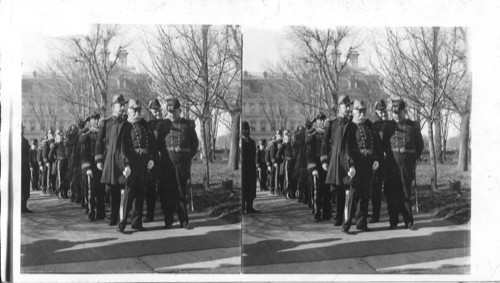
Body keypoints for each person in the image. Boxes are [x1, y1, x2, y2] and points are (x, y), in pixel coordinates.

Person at [117, 99, 156, 233]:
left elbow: (149, 145)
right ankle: (122, 222)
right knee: (128, 194)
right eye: (134, 110)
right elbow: (121, 148)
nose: (137, 113)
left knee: (140, 194)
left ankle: (136, 222)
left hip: (143, 163)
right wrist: (125, 164)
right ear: (129, 111)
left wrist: (150, 158)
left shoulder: (144, 126)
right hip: (131, 162)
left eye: (139, 110)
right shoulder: (125, 126)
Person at [342, 100, 382, 233]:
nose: (362, 114)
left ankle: (361, 223)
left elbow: (374, 145)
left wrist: (375, 159)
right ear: (353, 112)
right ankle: (347, 223)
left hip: (367, 164)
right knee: (353, 195)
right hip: (356, 163)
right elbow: (346, 148)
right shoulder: (350, 127)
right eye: (359, 111)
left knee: (365, 195)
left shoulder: (368, 126)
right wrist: (350, 165)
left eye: (364, 111)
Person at [385, 99, 423, 230]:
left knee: (406, 192)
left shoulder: (413, 126)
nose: (396, 116)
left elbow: (420, 145)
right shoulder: (388, 126)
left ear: (405, 111)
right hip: (391, 163)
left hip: (407, 164)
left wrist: (412, 160)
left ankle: (409, 221)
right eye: (394, 113)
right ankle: (393, 221)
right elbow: (384, 144)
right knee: (392, 192)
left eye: (399, 113)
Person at [164, 97, 199, 229]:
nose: (172, 115)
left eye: (174, 112)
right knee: (168, 191)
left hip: (182, 163)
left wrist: (188, 156)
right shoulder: (164, 125)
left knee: (181, 191)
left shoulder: (187, 125)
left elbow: (195, 143)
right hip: (168, 162)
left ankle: (184, 220)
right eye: (169, 112)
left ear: (180, 110)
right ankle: (168, 220)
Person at [96, 94, 128, 227]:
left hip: (121, 157)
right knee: (112, 189)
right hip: (109, 158)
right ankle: (113, 217)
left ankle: (121, 217)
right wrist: (99, 160)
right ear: (113, 106)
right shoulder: (106, 122)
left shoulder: (125, 123)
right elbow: (99, 142)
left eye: (123, 105)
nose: (122, 107)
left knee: (122, 188)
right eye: (120, 105)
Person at [321, 95, 353, 227]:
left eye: (349, 106)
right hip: (335, 159)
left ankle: (347, 217)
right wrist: (324, 160)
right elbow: (324, 143)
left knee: (348, 189)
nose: (348, 108)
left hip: (347, 159)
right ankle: (339, 217)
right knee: (338, 190)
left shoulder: (350, 124)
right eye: (346, 106)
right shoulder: (331, 123)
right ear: (339, 107)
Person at [145, 98, 175, 228]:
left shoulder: (166, 123)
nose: (156, 112)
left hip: (164, 159)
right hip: (151, 159)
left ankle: (166, 213)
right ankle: (150, 214)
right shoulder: (147, 125)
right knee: (150, 188)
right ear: (150, 111)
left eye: (158, 110)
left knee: (164, 187)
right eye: (154, 110)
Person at [81, 112, 106, 221]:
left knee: (101, 188)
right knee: (91, 189)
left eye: (97, 118)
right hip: (91, 163)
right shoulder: (85, 135)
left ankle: (101, 213)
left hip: (100, 164)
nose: (96, 121)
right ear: (89, 121)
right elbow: (83, 153)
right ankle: (91, 212)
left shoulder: (102, 133)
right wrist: (87, 168)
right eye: (93, 119)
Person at [306, 112, 331, 222]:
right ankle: (317, 212)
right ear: (315, 122)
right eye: (319, 120)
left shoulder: (327, 134)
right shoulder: (312, 136)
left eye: (323, 119)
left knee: (327, 189)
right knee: (317, 190)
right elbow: (309, 154)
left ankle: (327, 213)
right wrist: (313, 168)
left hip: (326, 165)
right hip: (316, 165)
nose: (321, 121)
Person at [369, 99, 391, 223]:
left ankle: (392, 212)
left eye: (384, 111)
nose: (383, 113)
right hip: (378, 160)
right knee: (376, 190)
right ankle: (375, 215)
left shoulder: (390, 124)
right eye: (380, 111)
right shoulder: (373, 125)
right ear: (376, 111)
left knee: (390, 188)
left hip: (390, 160)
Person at [242, 121, 259, 213]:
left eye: (248, 130)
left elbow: (253, 156)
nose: (247, 131)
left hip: (251, 168)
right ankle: (242, 207)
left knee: (251, 188)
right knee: (244, 188)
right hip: (244, 169)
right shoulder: (241, 142)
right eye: (245, 130)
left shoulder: (252, 142)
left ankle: (249, 206)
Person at [50, 129, 69, 199]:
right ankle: (60, 192)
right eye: (59, 136)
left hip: (65, 161)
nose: (60, 137)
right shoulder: (55, 145)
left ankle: (64, 192)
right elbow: (50, 155)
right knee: (60, 178)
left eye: (61, 136)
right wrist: (55, 160)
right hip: (60, 162)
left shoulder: (64, 144)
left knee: (65, 177)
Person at [22, 127, 33, 213]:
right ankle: (22, 206)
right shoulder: (24, 141)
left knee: (24, 186)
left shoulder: (25, 141)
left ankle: (22, 206)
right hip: (23, 166)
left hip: (23, 166)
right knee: (24, 186)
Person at [42, 130, 56, 194]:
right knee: (47, 175)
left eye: (52, 134)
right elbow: (44, 153)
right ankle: (47, 188)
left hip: (53, 161)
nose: (51, 135)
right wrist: (46, 161)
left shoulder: (54, 141)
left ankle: (52, 188)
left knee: (52, 175)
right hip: (48, 161)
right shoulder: (46, 142)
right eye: (50, 134)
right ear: (48, 135)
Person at [271, 130, 284, 196]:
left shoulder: (282, 142)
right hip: (276, 162)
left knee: (281, 175)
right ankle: (276, 188)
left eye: (280, 134)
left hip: (282, 161)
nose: (279, 135)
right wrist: (274, 162)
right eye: (278, 134)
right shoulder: (274, 143)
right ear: (276, 135)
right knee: (276, 176)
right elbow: (272, 153)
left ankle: (281, 188)